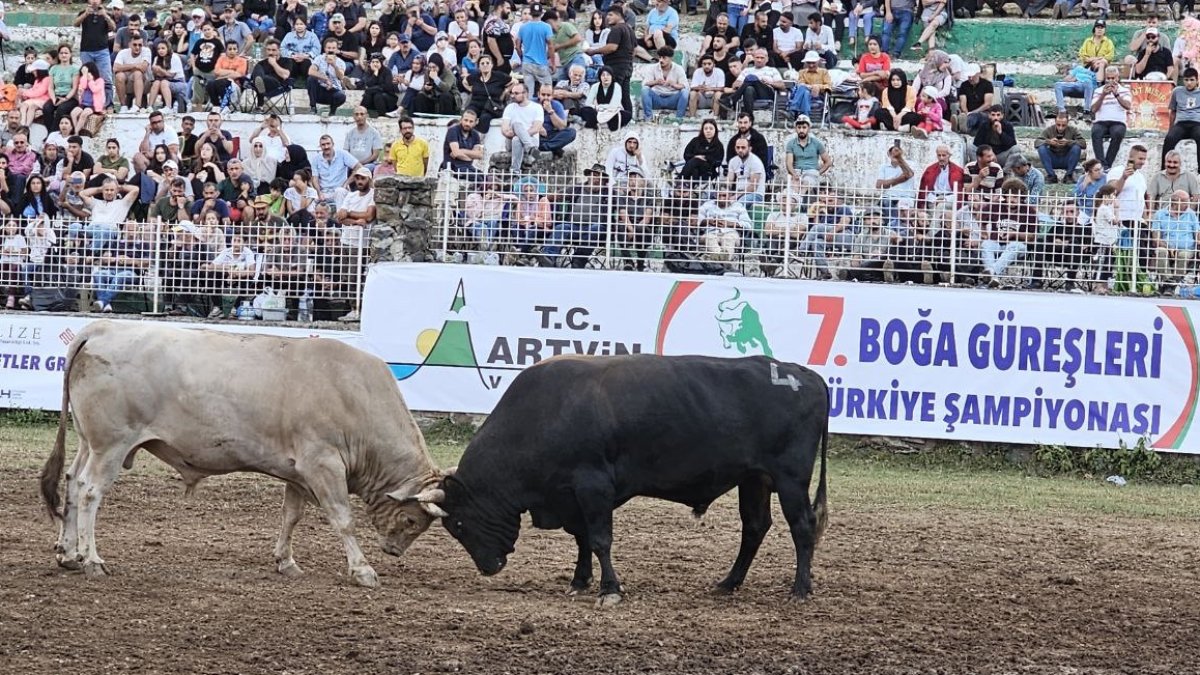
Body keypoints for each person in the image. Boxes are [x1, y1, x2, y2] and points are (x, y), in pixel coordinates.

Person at [1090, 66, 1131, 172]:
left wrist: (1116, 94)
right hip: (1101, 121)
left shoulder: (1124, 90)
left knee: (1118, 133)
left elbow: (1127, 106)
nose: (1111, 81)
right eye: (1108, 78)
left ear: (1117, 78)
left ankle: (1107, 164)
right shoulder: (1099, 91)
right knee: (1096, 131)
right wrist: (1103, 95)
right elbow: (1093, 109)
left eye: (1113, 78)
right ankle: (1102, 164)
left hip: (1118, 122)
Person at [1163, 68, 1200, 172]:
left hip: (1197, 123)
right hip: (1181, 123)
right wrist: (1170, 129)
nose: (1189, 83)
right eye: (1186, 80)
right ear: (1183, 80)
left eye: (1192, 80)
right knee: (1169, 138)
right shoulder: (1177, 91)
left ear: (1197, 80)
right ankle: (1164, 169)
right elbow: (1173, 111)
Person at [1035, 111, 1086, 184]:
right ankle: (1051, 175)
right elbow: (1037, 142)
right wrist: (1048, 142)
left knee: (1076, 148)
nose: (1060, 128)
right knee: (1042, 148)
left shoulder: (1073, 130)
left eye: (1063, 125)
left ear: (1067, 123)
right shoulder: (1049, 130)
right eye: (1058, 125)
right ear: (1055, 122)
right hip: (1053, 160)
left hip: (1068, 160)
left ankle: (1069, 175)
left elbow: (1083, 144)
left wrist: (1069, 142)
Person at [783, 114, 832, 187]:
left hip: (811, 172)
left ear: (809, 128)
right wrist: (794, 174)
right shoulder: (791, 144)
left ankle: (798, 197)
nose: (801, 130)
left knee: (806, 184)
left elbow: (828, 162)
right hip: (797, 172)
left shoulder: (816, 143)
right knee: (793, 188)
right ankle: (796, 197)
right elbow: (789, 163)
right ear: (796, 128)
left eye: (804, 127)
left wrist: (818, 173)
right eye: (799, 127)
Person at [641, 47, 688, 120]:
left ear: (671, 58)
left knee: (685, 92)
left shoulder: (679, 69)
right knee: (645, 90)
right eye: (659, 57)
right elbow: (645, 84)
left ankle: (679, 118)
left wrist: (673, 84)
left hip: (673, 99)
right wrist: (656, 82)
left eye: (664, 58)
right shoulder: (652, 68)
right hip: (657, 98)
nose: (661, 60)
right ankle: (648, 118)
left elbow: (685, 86)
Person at [581, 66, 630, 131]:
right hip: (597, 111)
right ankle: (598, 122)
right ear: (600, 77)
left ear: (612, 77)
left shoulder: (616, 86)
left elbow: (614, 106)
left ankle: (600, 122)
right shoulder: (595, 86)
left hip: (612, 112)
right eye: (603, 75)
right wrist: (597, 108)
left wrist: (600, 107)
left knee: (627, 115)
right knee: (585, 110)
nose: (605, 77)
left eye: (608, 75)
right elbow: (588, 103)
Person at [954, 63, 993, 135]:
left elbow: (988, 104)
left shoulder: (987, 84)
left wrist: (974, 112)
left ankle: (963, 125)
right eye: (969, 77)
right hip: (968, 113)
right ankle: (964, 125)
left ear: (978, 74)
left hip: (983, 112)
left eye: (972, 76)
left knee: (978, 116)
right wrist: (966, 112)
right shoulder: (964, 85)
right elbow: (963, 102)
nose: (970, 78)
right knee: (972, 118)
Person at [344, 107, 384, 171]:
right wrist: (353, 163)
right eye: (356, 114)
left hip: (368, 164)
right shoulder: (350, 133)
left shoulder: (374, 133)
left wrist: (360, 164)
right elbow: (346, 152)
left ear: (367, 116)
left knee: (365, 169)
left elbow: (375, 154)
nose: (359, 116)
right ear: (353, 116)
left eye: (362, 114)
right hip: (352, 164)